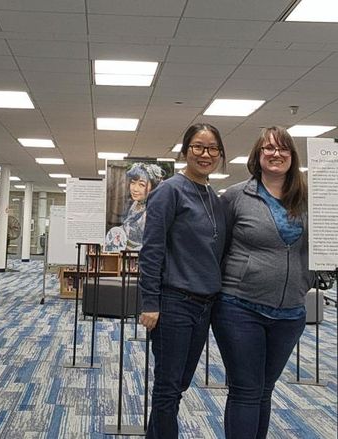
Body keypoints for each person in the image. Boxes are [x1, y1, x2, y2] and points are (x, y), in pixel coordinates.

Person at [213, 126, 314, 439]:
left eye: (284, 149)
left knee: (265, 390)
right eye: (268, 148)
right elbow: (218, 248)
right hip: (239, 307)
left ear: (292, 157)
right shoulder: (235, 196)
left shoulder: (306, 198)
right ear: (258, 155)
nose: (276, 154)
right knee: (246, 389)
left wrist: (307, 279)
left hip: (290, 312)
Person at [138, 123, 227, 439]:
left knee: (179, 384)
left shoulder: (214, 198)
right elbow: (151, 249)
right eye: (198, 147)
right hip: (174, 302)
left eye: (212, 148)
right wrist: (149, 301)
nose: (206, 154)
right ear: (185, 150)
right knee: (167, 388)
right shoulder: (169, 191)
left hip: (204, 306)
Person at [122, 162, 165, 250]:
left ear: (153, 187)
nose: (135, 189)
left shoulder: (153, 211)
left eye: (141, 185)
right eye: (133, 183)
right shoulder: (135, 203)